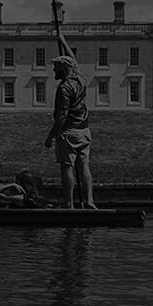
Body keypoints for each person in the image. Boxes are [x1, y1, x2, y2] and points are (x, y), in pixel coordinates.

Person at [44, 54, 96, 209]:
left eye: (56, 68)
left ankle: (69, 203)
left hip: (69, 132)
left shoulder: (64, 88)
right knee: (84, 166)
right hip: (84, 131)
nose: (54, 70)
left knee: (66, 167)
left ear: (63, 67)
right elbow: (73, 59)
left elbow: (62, 115)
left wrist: (51, 136)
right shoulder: (81, 80)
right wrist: (62, 39)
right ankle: (89, 201)